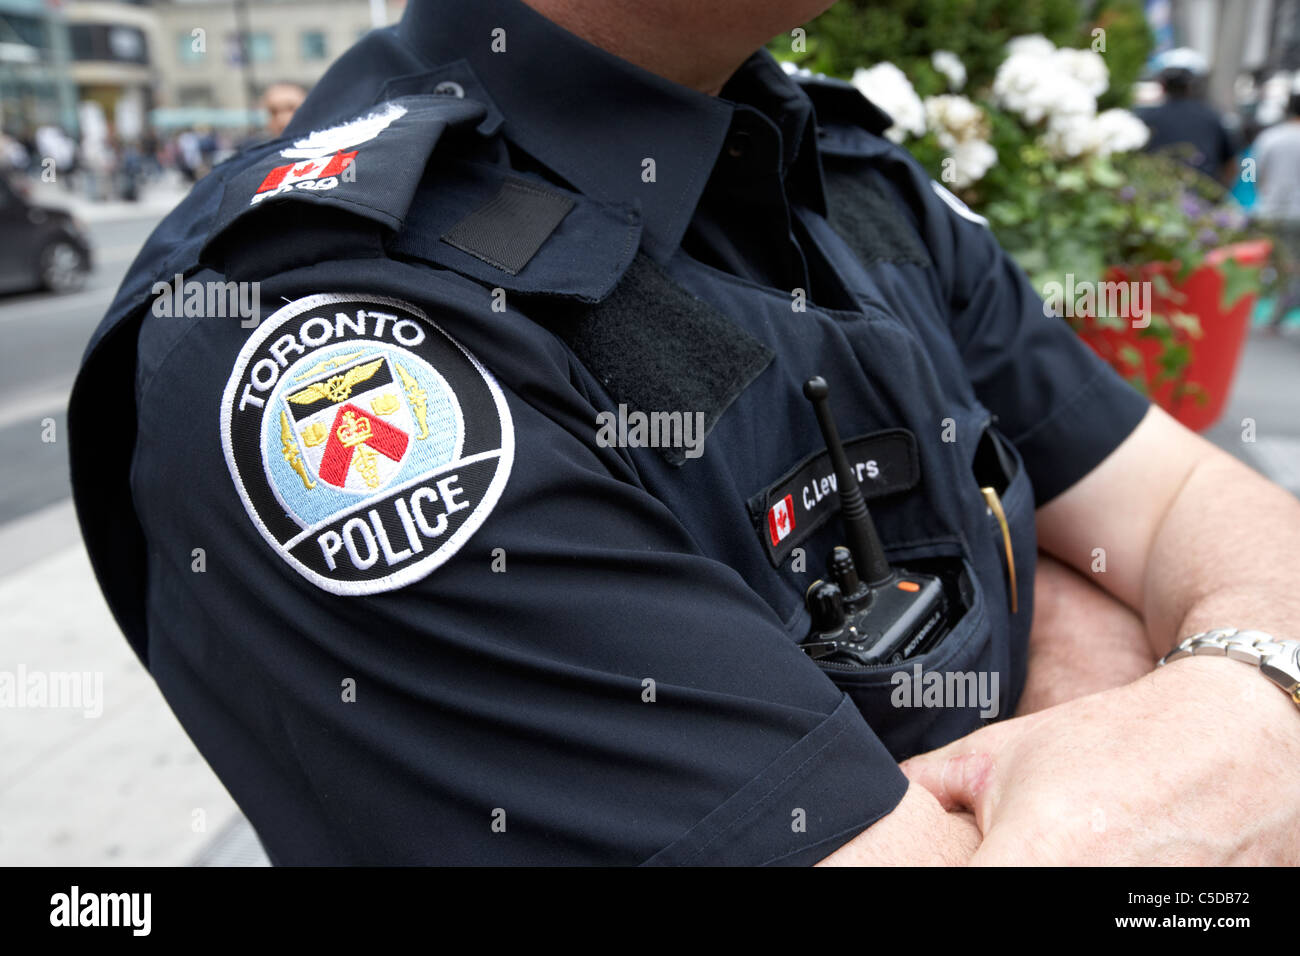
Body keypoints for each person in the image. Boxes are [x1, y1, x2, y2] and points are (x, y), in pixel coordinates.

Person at [70, 0, 1300, 865]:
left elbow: (1197, 507)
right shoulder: (337, 335)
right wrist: (1114, 624)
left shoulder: (847, 180)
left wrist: (1231, 688)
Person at [1137, 65, 1237, 182]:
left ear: (1162, 86)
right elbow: (1231, 164)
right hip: (1203, 192)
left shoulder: (1147, 117)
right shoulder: (1212, 115)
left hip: (1157, 191)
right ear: (1190, 87)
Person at [1253, 91, 1300, 331]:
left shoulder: (1270, 137)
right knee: (1293, 262)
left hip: (1269, 209)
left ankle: (1262, 309)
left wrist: (1260, 192)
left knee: (1266, 261)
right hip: (1297, 212)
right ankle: (1282, 310)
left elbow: (1251, 169)